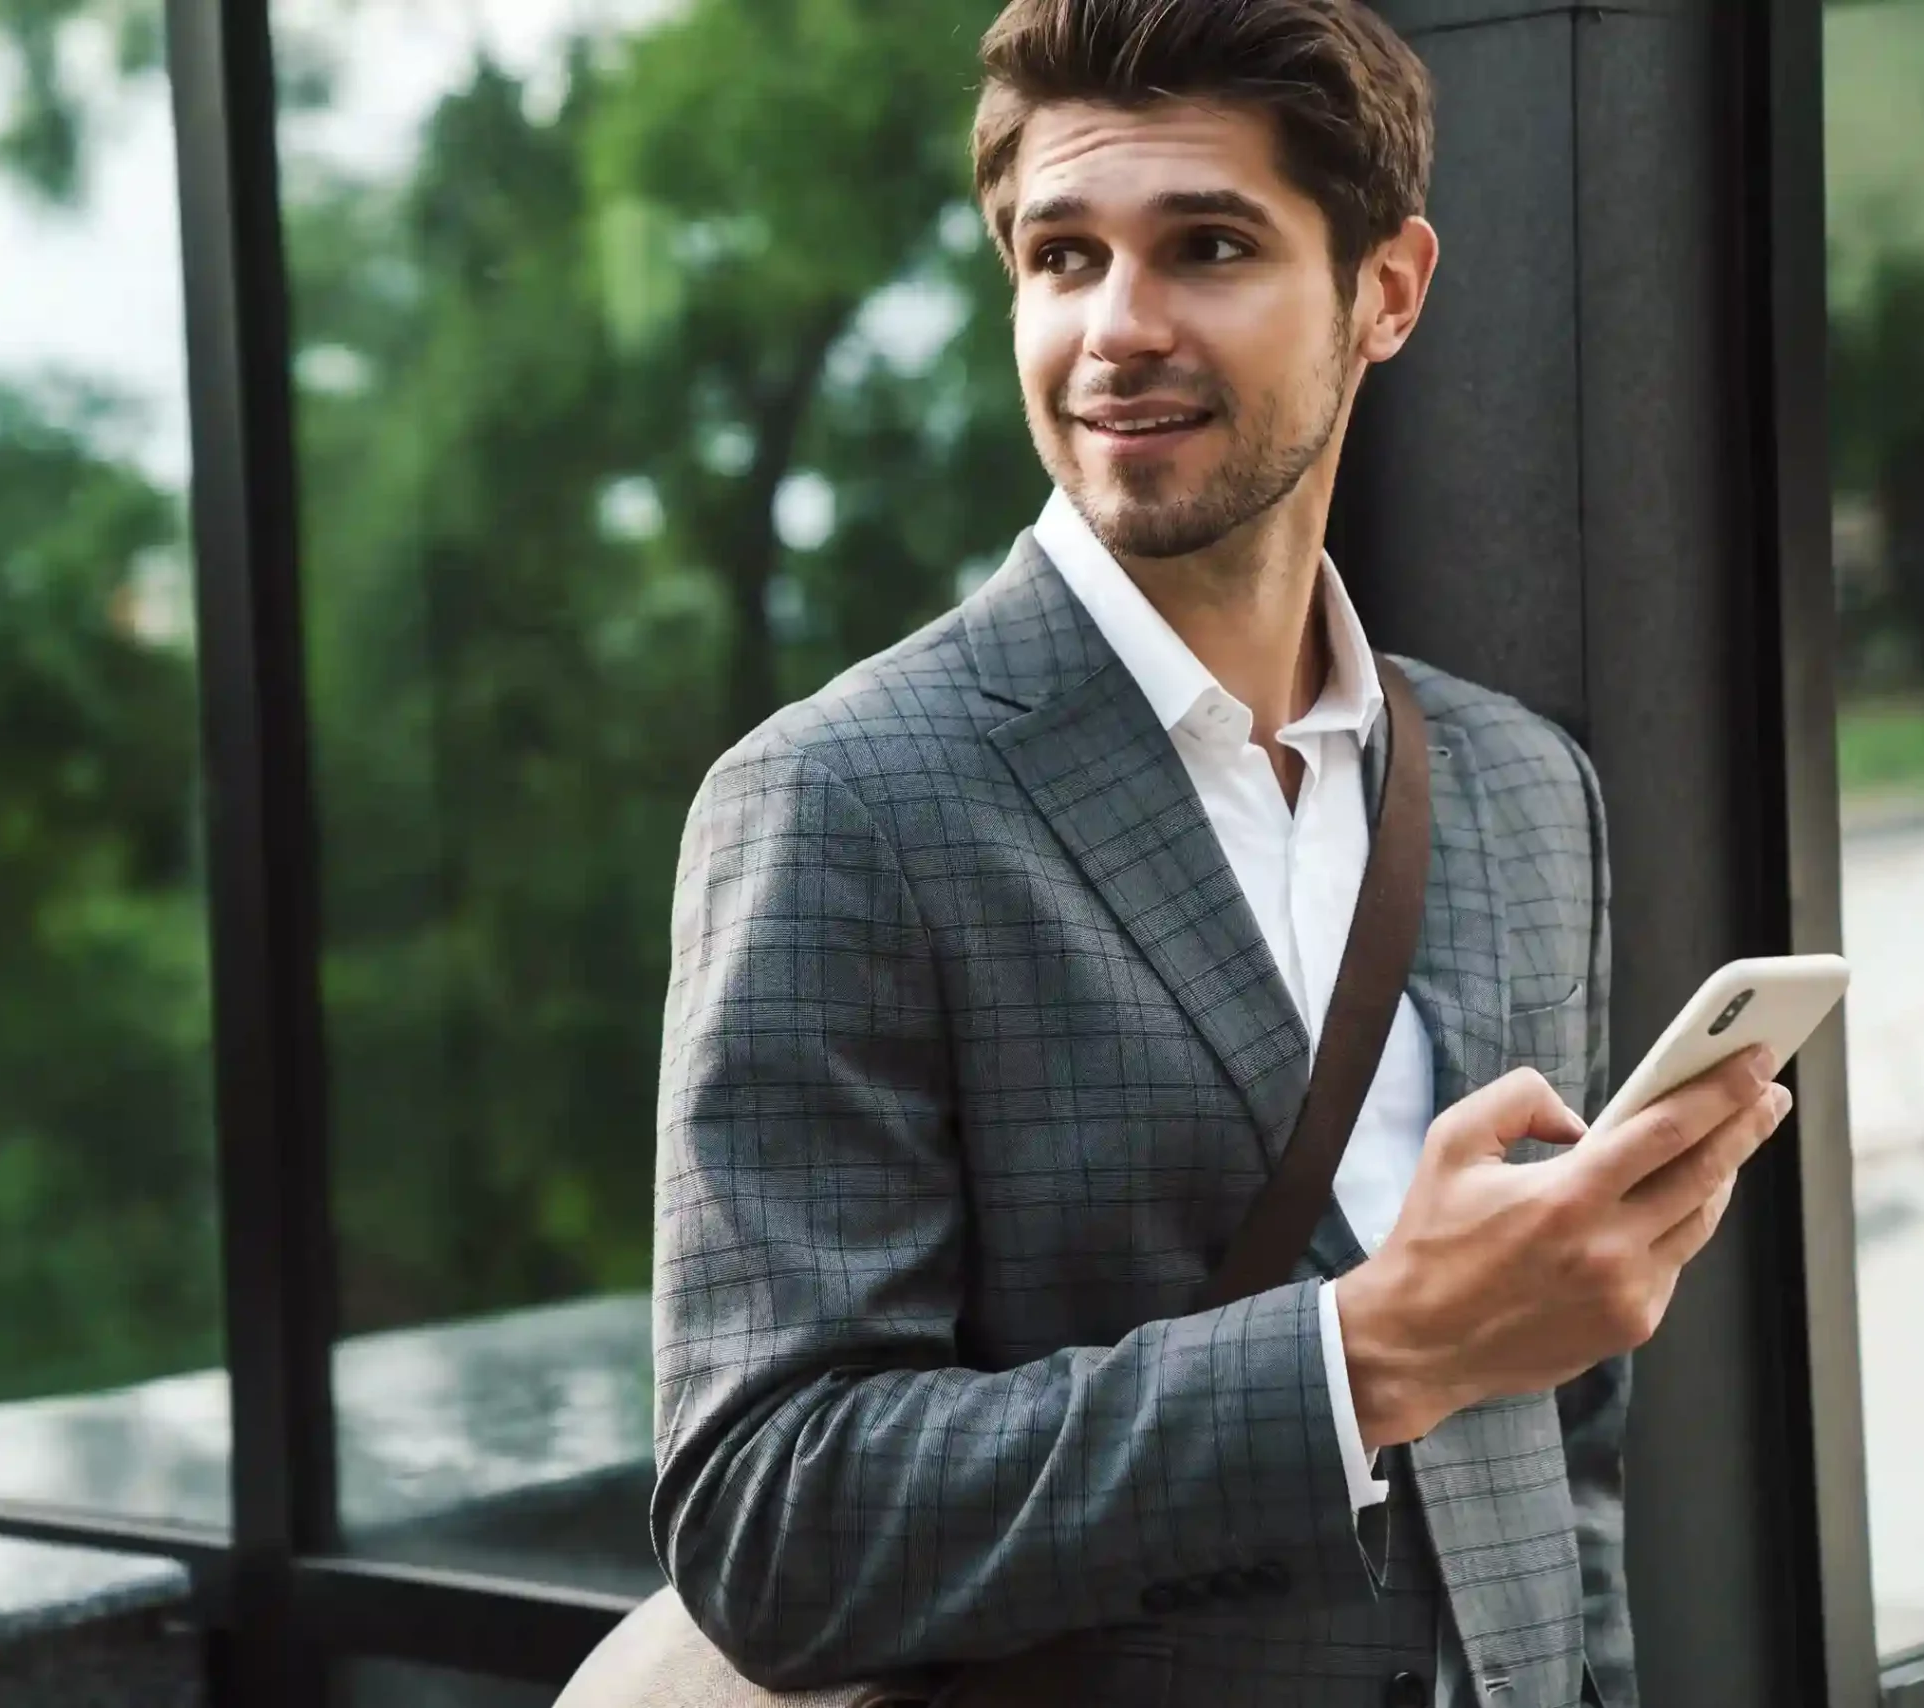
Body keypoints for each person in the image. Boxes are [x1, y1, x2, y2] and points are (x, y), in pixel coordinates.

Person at [648, 3, 1793, 1705]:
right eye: (1062, 254)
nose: (1117, 328)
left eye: (1206, 246)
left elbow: (1565, 1456)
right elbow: (772, 1522)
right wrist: (1363, 1357)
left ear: (1386, 291)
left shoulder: (1521, 786)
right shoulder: (842, 801)